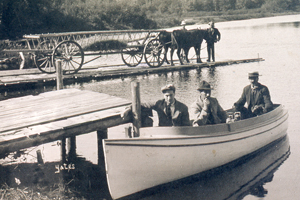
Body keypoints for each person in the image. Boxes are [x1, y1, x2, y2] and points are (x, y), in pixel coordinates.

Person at [122, 84, 190, 127]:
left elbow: (187, 126)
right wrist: (128, 109)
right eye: (166, 96)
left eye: (171, 95)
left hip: (177, 135)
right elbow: (143, 105)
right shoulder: (159, 104)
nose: (169, 98)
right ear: (163, 96)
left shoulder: (183, 108)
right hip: (163, 134)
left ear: (174, 94)